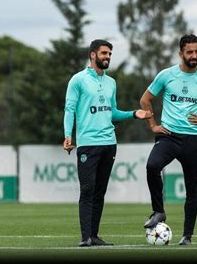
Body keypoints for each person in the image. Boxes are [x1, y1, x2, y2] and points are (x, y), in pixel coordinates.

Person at [139, 34, 197, 245]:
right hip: (168, 137)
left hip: (194, 140)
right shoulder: (167, 75)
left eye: (196, 51)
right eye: (189, 52)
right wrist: (153, 125)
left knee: (192, 189)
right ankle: (158, 211)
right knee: (152, 166)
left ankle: (187, 236)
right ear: (180, 53)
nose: (194, 55)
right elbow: (145, 99)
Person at [63, 39, 152, 247]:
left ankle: (94, 235)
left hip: (109, 143)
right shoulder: (78, 80)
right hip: (87, 144)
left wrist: (134, 114)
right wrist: (68, 135)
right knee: (87, 189)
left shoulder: (111, 83)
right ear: (93, 55)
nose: (108, 57)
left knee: (100, 192)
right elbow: (69, 109)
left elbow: (112, 113)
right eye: (104, 53)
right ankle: (85, 237)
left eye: (110, 54)